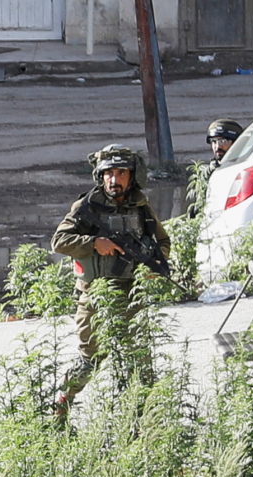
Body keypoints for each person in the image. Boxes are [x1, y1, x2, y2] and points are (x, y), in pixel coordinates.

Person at [51, 145, 170, 423]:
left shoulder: (141, 207)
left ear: (132, 177)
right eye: (109, 173)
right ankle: (59, 410)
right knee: (90, 361)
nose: (114, 180)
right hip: (96, 297)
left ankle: (141, 422)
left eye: (121, 173)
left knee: (139, 362)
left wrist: (155, 263)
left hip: (132, 297)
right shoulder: (86, 207)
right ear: (100, 176)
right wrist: (94, 243)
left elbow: (163, 242)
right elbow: (59, 241)